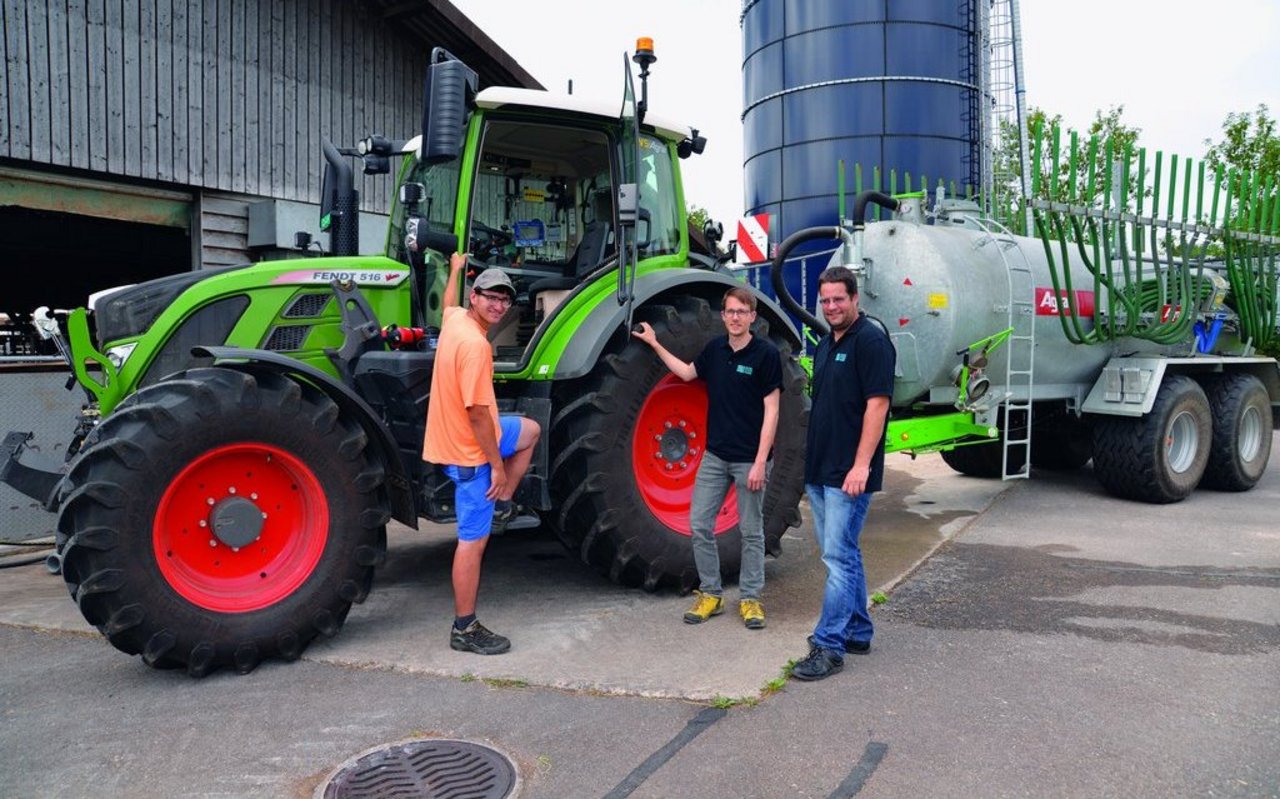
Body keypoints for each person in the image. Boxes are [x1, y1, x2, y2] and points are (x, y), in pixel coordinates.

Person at [632, 287, 782, 629]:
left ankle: (751, 598)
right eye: (730, 312)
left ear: (752, 316)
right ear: (723, 316)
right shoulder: (715, 350)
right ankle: (711, 593)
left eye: (741, 312)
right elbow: (687, 373)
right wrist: (654, 343)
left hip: (749, 460)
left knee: (751, 531)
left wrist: (761, 461)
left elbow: (772, 410)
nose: (735, 317)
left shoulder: (766, 354)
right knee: (700, 524)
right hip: (715, 457)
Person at [423, 253, 540, 656]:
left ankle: (503, 502)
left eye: (504, 300)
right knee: (472, 543)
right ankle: (465, 627)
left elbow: (448, 303)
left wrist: (455, 269)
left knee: (530, 431)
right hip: (470, 452)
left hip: (468, 434)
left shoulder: (456, 320)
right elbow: (475, 413)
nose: (498, 306)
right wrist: (496, 468)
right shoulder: (475, 346)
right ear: (475, 297)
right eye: (491, 297)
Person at [791, 266, 895, 681]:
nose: (831, 306)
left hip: (848, 473)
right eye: (826, 300)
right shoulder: (825, 343)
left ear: (855, 298)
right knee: (844, 553)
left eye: (839, 299)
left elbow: (878, 406)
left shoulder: (871, 341)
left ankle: (829, 645)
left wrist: (861, 465)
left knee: (836, 558)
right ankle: (858, 631)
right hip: (821, 468)